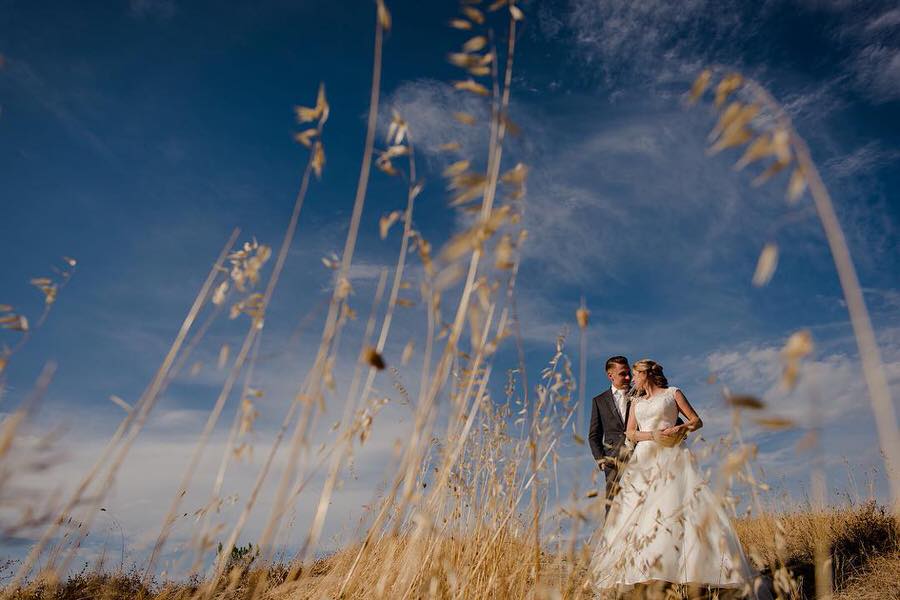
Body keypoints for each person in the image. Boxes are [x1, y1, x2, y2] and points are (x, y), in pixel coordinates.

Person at [590, 359, 767, 598]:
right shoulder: (635, 401)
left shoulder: (673, 394)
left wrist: (678, 430)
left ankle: (689, 571)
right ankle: (645, 572)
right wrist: (653, 435)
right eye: (628, 375)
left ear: (646, 374)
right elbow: (630, 432)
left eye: (635, 374)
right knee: (640, 513)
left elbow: (696, 421)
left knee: (678, 507)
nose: (632, 379)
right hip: (644, 458)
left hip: (673, 456)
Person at [588, 356, 634, 514]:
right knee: (613, 506)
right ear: (610, 375)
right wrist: (601, 460)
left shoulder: (640, 394)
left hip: (640, 454)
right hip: (612, 461)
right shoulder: (599, 401)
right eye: (623, 374)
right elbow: (594, 435)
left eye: (629, 373)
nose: (628, 377)